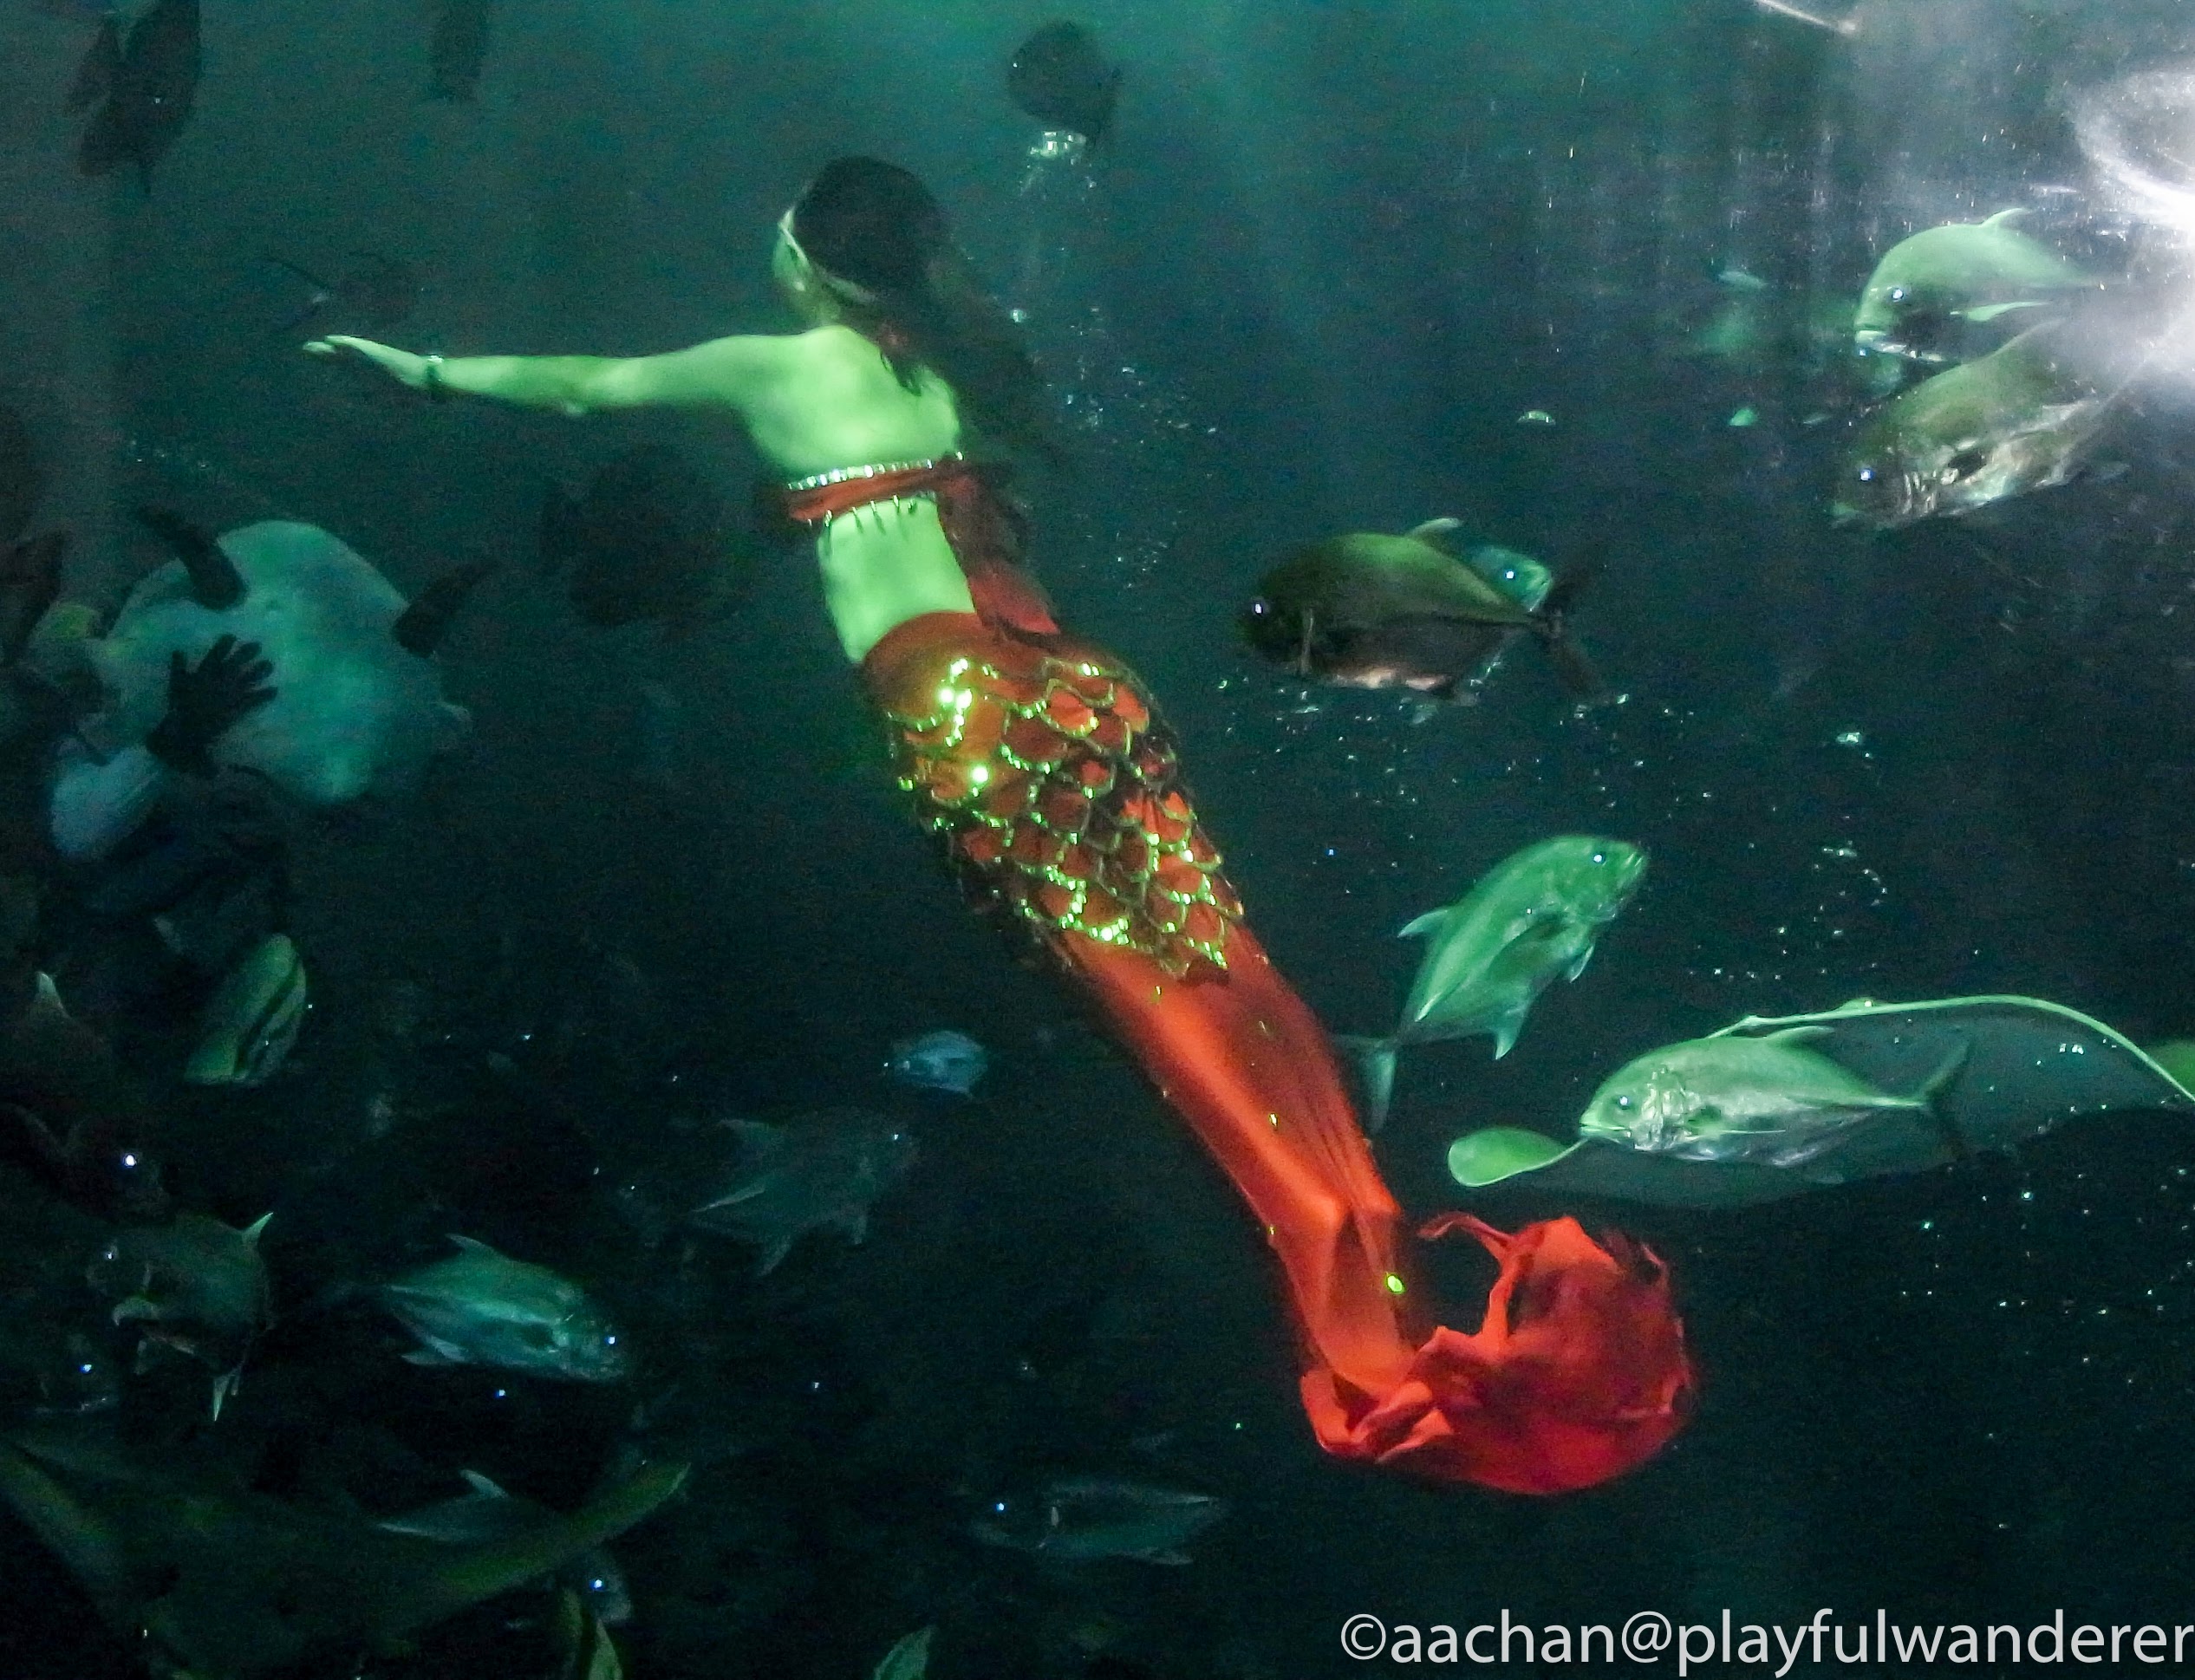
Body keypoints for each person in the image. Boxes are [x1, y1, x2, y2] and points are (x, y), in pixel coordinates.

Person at [306, 156, 1690, 1493]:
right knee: (1231, 975)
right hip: (1084, 692)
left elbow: (583, 387)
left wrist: (416, 371)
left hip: (963, 709)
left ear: (806, 256)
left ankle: (1383, 1354)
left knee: (1157, 1007)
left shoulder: (783, 366)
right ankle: (1373, 1239)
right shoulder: (949, 364)